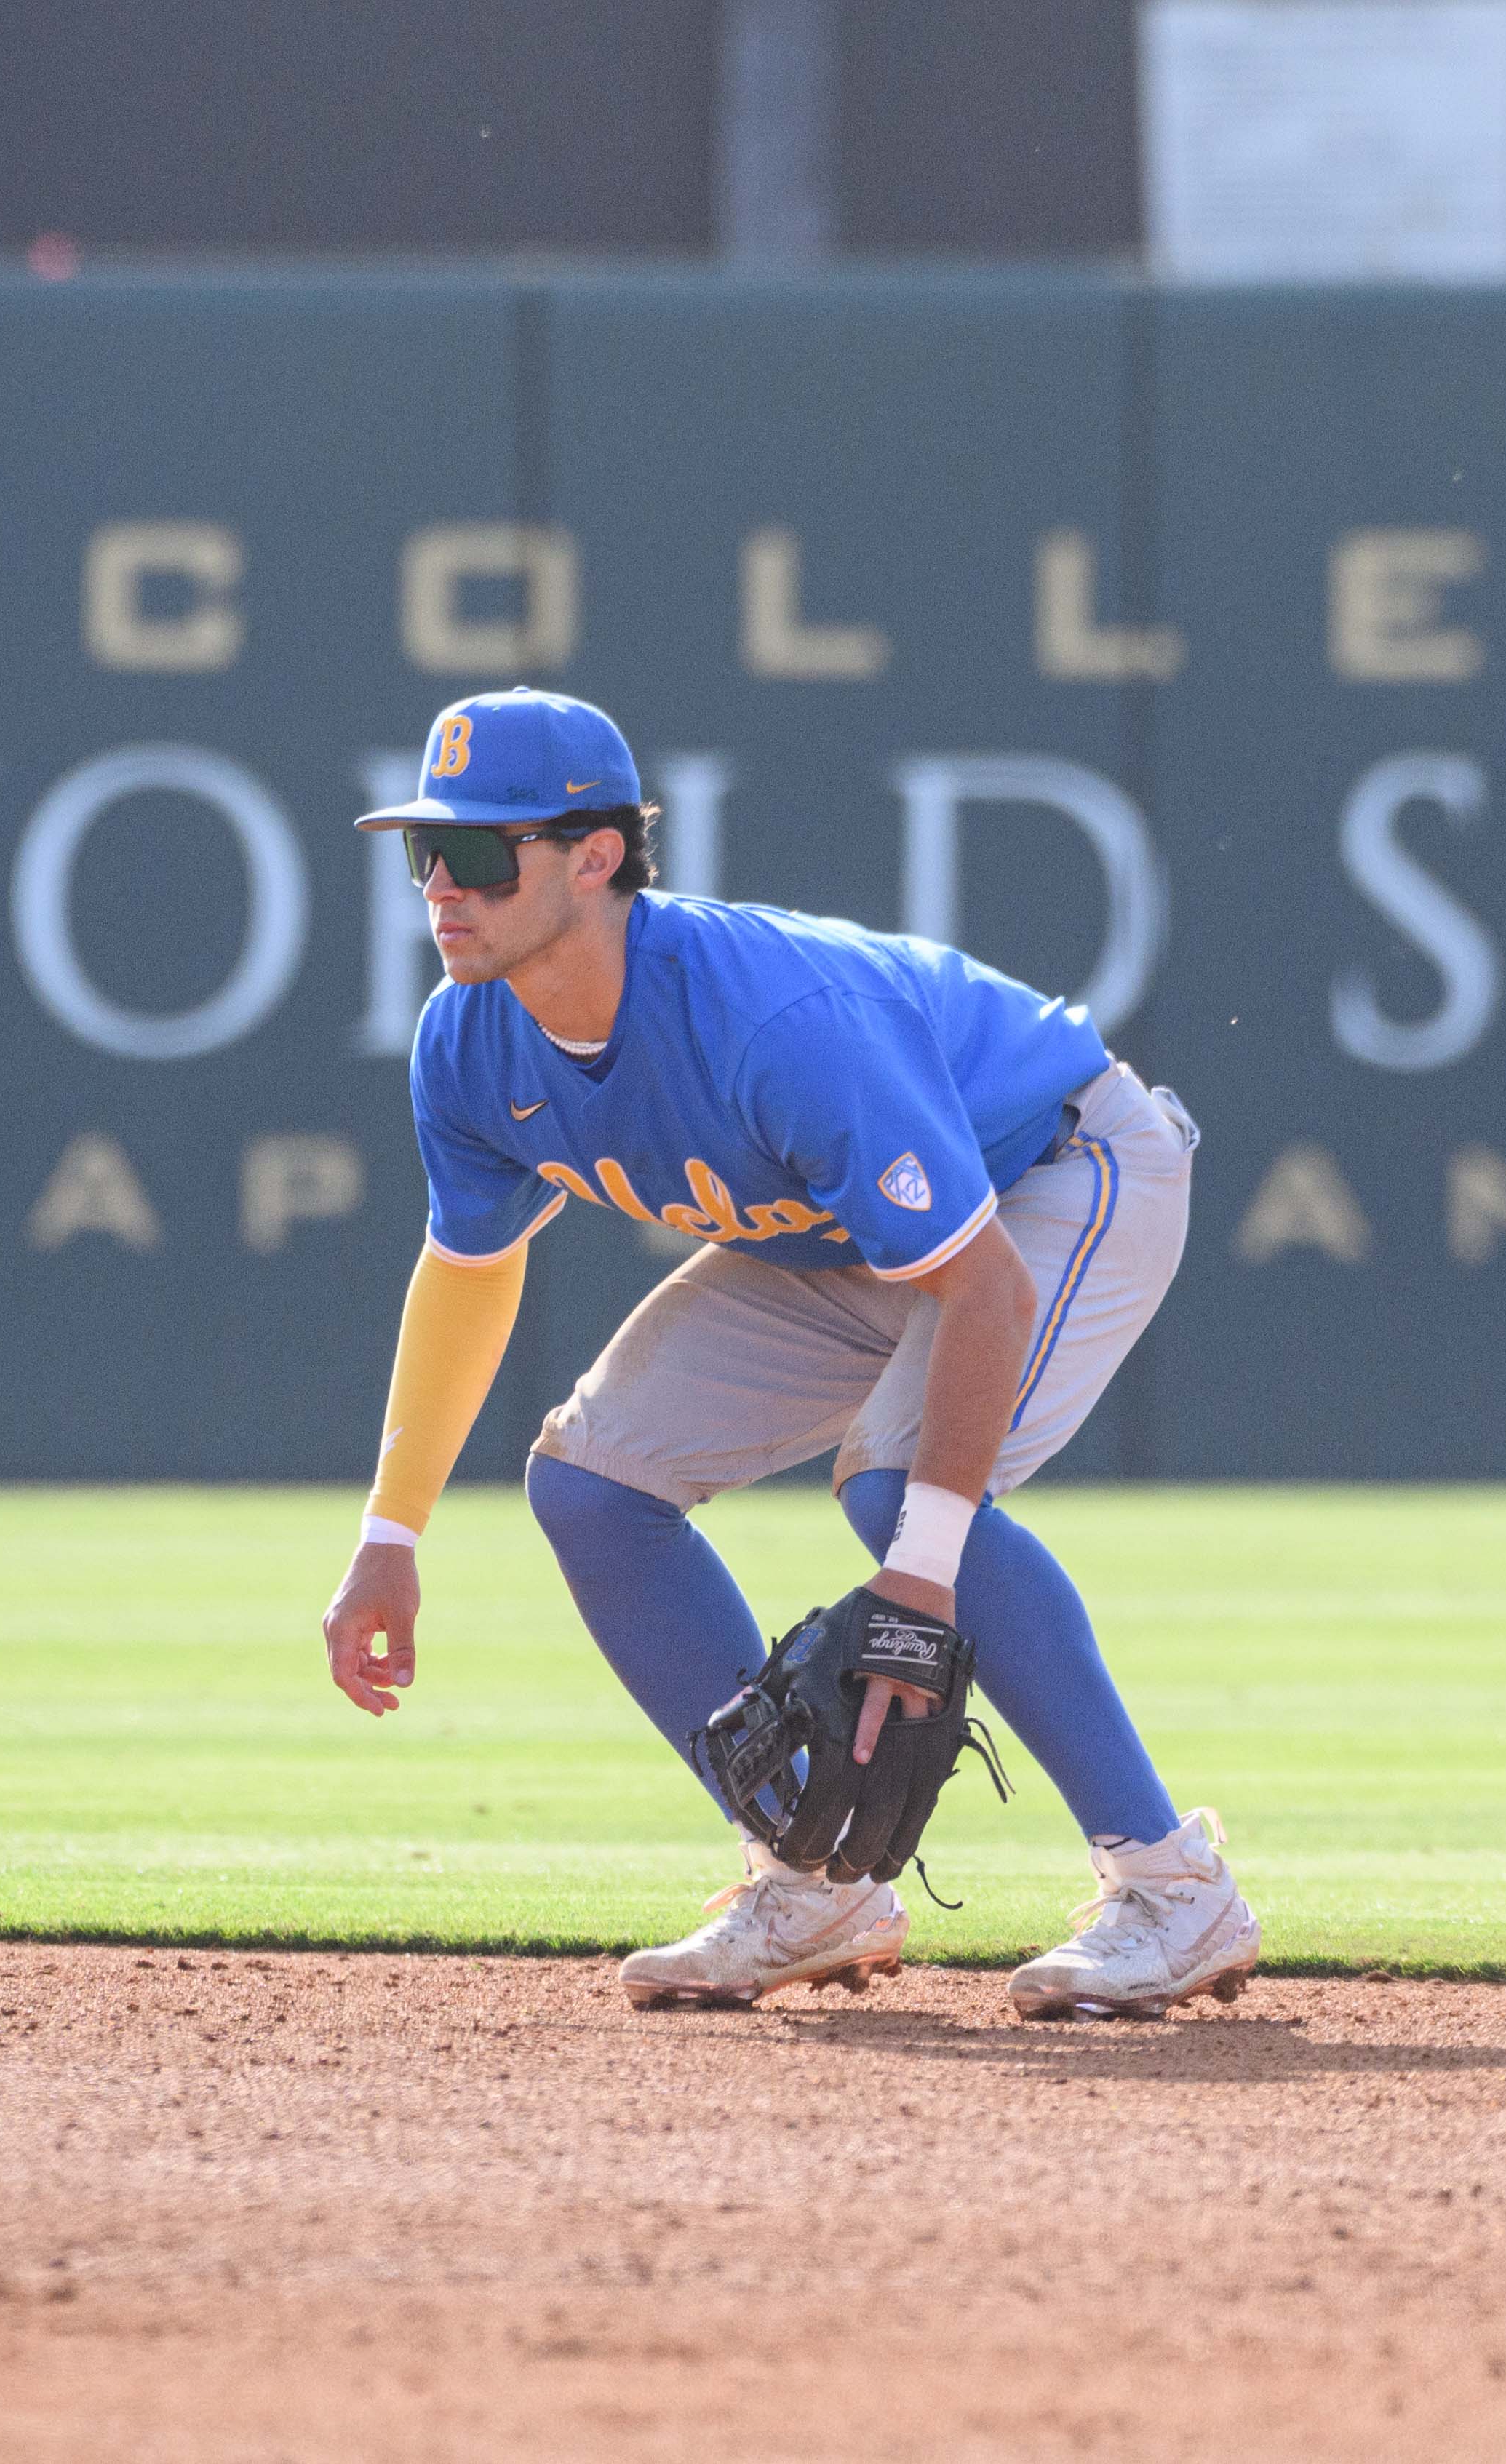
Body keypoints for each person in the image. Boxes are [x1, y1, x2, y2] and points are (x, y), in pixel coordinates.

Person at [319, 685, 1259, 2017]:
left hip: (1058, 1171)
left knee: (896, 1489)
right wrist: (391, 1536)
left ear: (596, 856)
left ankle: (1173, 1890)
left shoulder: (769, 1021)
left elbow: (981, 1286)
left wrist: (921, 1581)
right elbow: (470, 1273)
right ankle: (811, 1882)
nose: (442, 887)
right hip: (836, 1238)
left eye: (481, 853)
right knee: (592, 1483)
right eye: (426, 852)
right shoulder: (467, 1042)